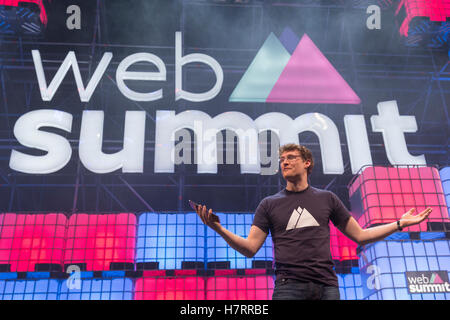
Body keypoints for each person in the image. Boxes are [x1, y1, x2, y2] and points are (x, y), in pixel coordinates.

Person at [195, 143, 432, 300]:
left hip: (326, 287)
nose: (284, 162)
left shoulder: (327, 198)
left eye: (291, 158)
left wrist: (399, 224)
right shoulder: (268, 204)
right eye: (282, 160)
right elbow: (249, 249)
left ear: (307, 163)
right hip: (288, 287)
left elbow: (360, 235)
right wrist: (218, 228)